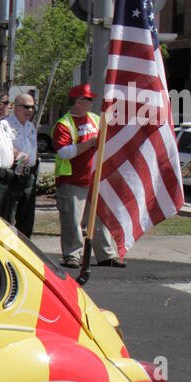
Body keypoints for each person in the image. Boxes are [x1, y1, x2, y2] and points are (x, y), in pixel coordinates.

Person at [52, 84, 121, 268]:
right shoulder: (64, 124)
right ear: (79, 101)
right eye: (89, 99)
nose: (92, 102)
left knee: (100, 218)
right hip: (72, 180)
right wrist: (90, 143)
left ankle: (106, 255)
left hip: (95, 179)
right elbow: (64, 153)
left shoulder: (95, 119)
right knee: (73, 221)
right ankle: (73, 255)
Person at [3, 93, 40, 236]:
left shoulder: (30, 126)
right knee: (9, 216)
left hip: (29, 174)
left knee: (27, 218)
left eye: (32, 107)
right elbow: (5, 147)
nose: (30, 111)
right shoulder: (6, 125)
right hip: (13, 174)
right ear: (16, 107)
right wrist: (17, 155)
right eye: (26, 107)